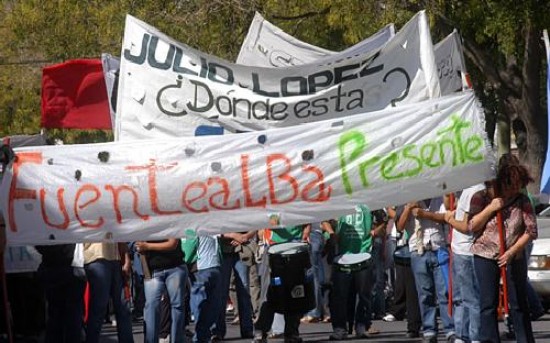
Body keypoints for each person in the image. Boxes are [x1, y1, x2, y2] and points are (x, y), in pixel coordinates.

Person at [469, 158, 537, 343]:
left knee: (518, 303)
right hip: (485, 254)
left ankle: (524, 339)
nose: (514, 190)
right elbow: (472, 226)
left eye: (518, 186)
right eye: (511, 186)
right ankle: (489, 339)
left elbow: (531, 230)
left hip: (513, 255)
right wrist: (491, 208)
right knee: (488, 303)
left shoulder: (522, 200)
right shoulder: (481, 197)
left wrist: (512, 251)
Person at [398, 197, 455, 343]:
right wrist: (408, 207)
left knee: (444, 292)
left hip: (438, 248)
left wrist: (425, 214)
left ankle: (450, 328)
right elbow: (400, 226)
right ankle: (429, 329)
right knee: (425, 293)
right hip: (418, 251)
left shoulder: (438, 198)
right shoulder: (409, 199)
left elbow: (445, 217)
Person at [326, 205, 386, 340]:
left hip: (363, 254)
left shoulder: (370, 203)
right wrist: (332, 233)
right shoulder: (340, 201)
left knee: (364, 295)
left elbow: (383, 219)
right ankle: (340, 329)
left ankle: (361, 327)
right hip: (342, 256)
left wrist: (375, 232)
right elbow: (324, 220)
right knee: (340, 296)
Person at [253, 223, 310, 343]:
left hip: (295, 249)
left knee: (295, 293)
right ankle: (261, 332)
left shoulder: (298, 204)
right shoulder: (273, 206)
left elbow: (307, 221)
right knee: (268, 293)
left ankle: (291, 333)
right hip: (273, 249)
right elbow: (269, 220)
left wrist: (305, 233)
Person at [444, 184, 485, 343]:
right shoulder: (465, 189)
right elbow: (451, 206)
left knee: (471, 298)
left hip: (466, 251)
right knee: (460, 298)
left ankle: (473, 336)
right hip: (459, 249)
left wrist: (450, 220)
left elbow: (466, 226)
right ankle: (462, 334)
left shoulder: (474, 191)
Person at [136, 239, 187, 343]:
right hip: (153, 270)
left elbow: (172, 244)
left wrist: (147, 246)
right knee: (151, 307)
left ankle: (176, 340)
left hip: (174, 267)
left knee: (176, 306)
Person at [83, 242, 134, 343]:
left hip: (116, 258)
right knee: (99, 308)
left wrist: (126, 257)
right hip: (96, 256)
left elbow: (120, 233)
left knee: (124, 308)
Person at [35, 243, 86, 343]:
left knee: (57, 315)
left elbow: (39, 244)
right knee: (71, 315)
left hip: (55, 268)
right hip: (70, 269)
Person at [212, 231, 255, 340]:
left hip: (241, 250)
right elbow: (213, 228)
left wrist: (244, 236)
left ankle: (247, 329)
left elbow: (254, 224)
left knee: (244, 291)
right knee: (221, 292)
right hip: (222, 251)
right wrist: (232, 235)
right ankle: (218, 331)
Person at [192, 234, 223, 343]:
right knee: (211, 305)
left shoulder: (195, 224)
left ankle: (201, 336)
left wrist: (185, 262)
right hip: (213, 265)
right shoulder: (212, 222)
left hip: (202, 266)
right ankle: (205, 334)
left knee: (201, 305)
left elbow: (189, 245)